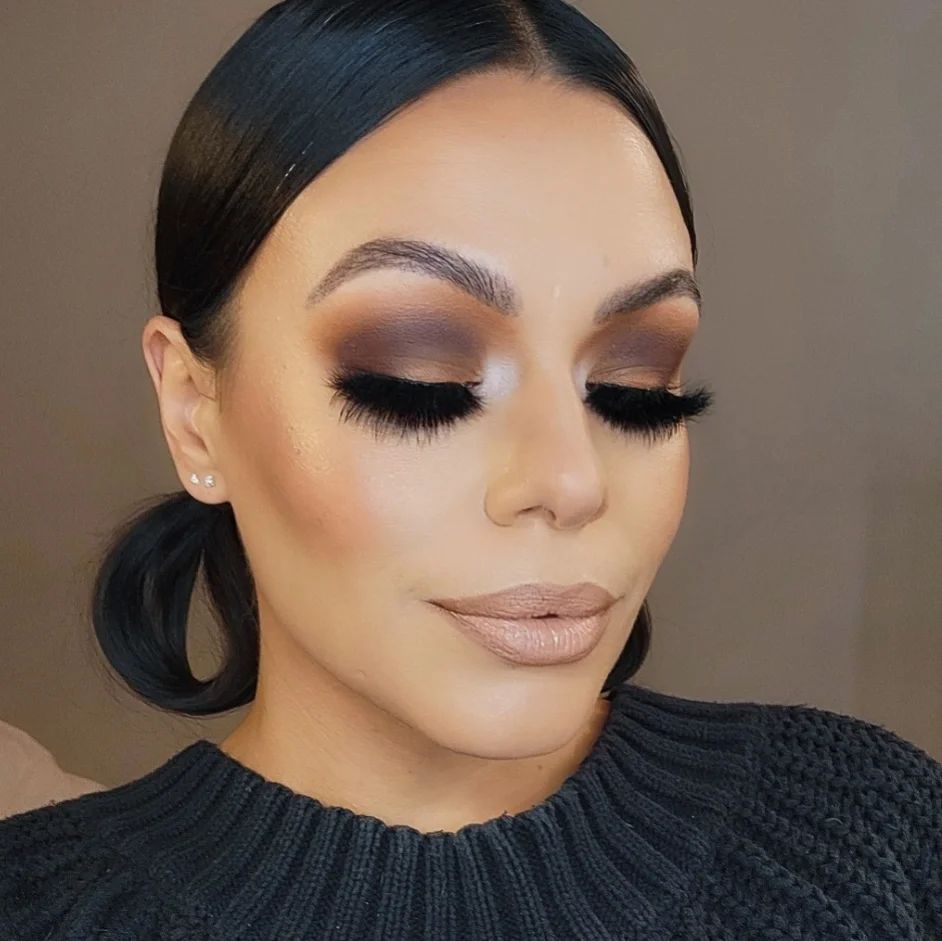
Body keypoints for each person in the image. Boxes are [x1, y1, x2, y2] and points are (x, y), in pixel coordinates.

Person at [1, 1, 939, 938]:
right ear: (194, 414)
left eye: (634, 385)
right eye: (421, 381)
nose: (571, 482)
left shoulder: (872, 831)